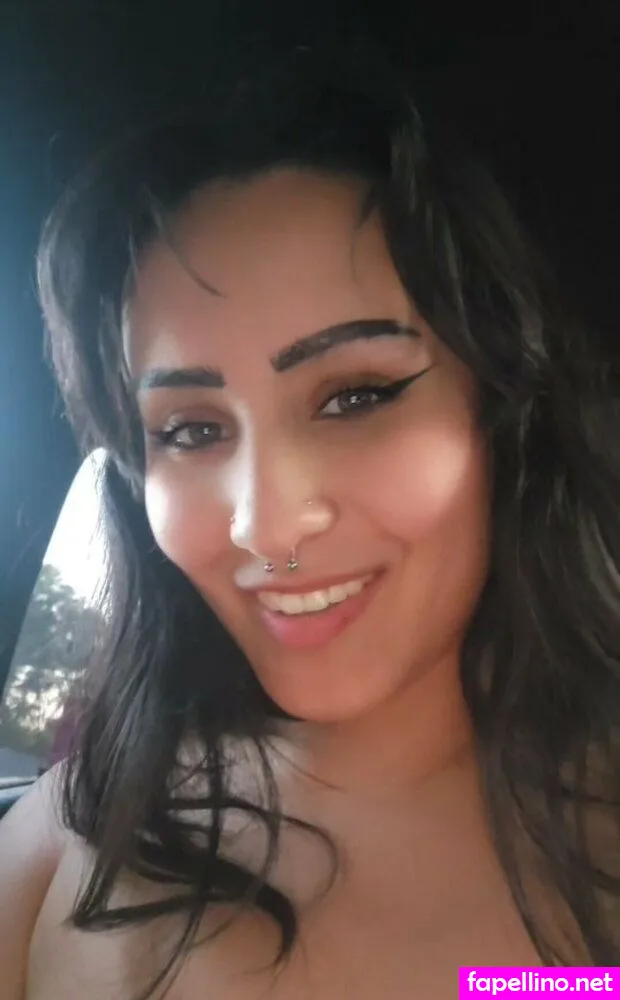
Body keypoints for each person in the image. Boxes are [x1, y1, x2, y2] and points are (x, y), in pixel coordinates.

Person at [1, 34, 618, 1000]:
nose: (266, 527)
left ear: (502, 418)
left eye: (356, 396)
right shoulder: (80, 820)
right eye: (191, 429)